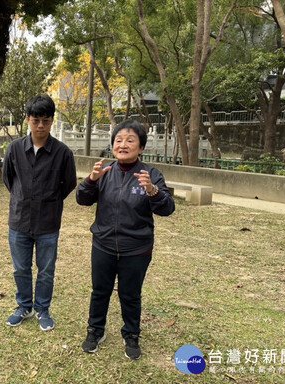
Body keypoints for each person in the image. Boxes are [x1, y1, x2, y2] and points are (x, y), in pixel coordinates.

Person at [76, 119, 175, 359]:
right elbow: (82, 199)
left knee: (130, 294)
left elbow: (167, 209)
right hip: (103, 245)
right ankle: (95, 331)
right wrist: (91, 180)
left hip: (136, 249)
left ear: (141, 148)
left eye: (130, 140)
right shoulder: (105, 172)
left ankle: (131, 335)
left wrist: (152, 190)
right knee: (100, 291)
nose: (123, 145)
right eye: (118, 140)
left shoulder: (150, 175)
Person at [3, 95, 77, 331]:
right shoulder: (14, 149)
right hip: (19, 220)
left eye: (46, 120)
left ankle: (42, 309)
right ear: (28, 120)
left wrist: (49, 200)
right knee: (21, 268)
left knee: (46, 270)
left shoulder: (63, 152)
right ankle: (24, 306)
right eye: (36, 120)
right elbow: (8, 179)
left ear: (52, 121)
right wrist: (23, 198)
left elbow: (69, 183)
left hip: (48, 222)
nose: (41, 126)